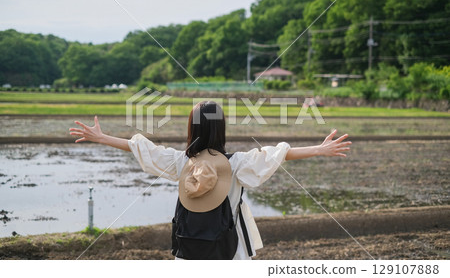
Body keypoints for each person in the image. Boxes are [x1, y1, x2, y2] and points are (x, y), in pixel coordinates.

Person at [69, 100, 351, 259]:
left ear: (192, 129)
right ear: (221, 129)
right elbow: (278, 154)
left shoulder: (182, 162)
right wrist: (319, 149)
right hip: (228, 246)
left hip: (189, 244)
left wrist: (102, 137)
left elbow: (141, 148)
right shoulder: (236, 163)